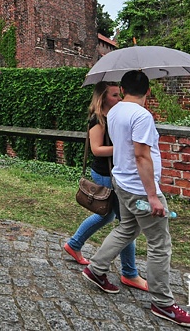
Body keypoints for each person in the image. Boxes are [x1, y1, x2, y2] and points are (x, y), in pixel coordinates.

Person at [82, 70, 190, 328]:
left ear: (123, 90)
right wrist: (153, 197)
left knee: (127, 227)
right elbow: (141, 156)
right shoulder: (141, 115)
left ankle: (95, 268)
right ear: (148, 91)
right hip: (139, 188)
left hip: (122, 182)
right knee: (159, 242)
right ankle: (163, 303)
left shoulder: (114, 111)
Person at [64, 82, 148, 291]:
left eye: (119, 94)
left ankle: (74, 245)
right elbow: (96, 149)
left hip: (113, 173)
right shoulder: (98, 119)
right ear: (102, 97)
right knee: (125, 224)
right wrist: (124, 146)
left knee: (109, 216)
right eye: (114, 95)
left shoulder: (115, 117)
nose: (119, 98)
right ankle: (130, 273)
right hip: (105, 174)